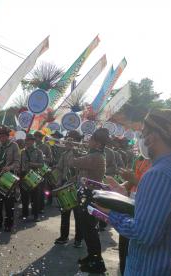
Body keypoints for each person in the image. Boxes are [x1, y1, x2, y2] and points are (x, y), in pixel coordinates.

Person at [97, 109, 171, 276]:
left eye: (144, 134)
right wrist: (123, 197)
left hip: (150, 269)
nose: (143, 140)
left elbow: (145, 234)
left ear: (154, 136)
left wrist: (112, 212)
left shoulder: (158, 173)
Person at [68, 128, 108, 274]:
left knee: (90, 230)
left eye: (91, 140)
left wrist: (71, 149)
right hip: (87, 193)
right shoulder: (94, 154)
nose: (88, 142)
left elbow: (73, 163)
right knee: (87, 229)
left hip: (90, 195)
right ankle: (92, 257)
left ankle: (97, 263)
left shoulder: (96, 156)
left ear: (97, 143)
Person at [0, 126, 20, 231]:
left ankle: (8, 224)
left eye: (3, 136)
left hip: (8, 176)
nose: (1, 138)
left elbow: (17, 162)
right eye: (0, 136)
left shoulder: (14, 146)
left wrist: (9, 167)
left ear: (7, 136)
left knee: (8, 202)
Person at [53, 131, 82, 248]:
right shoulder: (64, 154)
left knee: (78, 214)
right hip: (66, 184)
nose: (68, 141)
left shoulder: (81, 153)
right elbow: (60, 168)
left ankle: (78, 239)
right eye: (68, 139)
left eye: (72, 139)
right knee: (65, 211)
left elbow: (82, 171)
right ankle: (64, 236)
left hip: (77, 185)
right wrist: (58, 180)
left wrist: (75, 179)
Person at [20, 133, 44, 222]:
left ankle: (36, 215)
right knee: (24, 196)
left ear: (33, 141)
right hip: (23, 175)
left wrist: (32, 164)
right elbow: (20, 164)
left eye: (30, 140)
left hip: (34, 175)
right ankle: (24, 213)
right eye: (27, 141)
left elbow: (42, 164)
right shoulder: (22, 152)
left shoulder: (38, 152)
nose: (28, 142)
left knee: (35, 197)